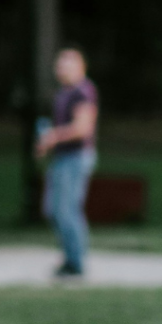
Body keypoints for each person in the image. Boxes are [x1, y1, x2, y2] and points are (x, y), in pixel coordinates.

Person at [36, 47, 99, 277]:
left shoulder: (83, 92)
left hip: (76, 157)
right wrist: (48, 142)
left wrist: (54, 136)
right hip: (62, 157)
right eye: (60, 65)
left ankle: (76, 263)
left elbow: (83, 128)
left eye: (68, 65)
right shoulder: (63, 93)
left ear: (81, 67)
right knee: (53, 209)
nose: (62, 69)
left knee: (68, 210)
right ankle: (69, 258)